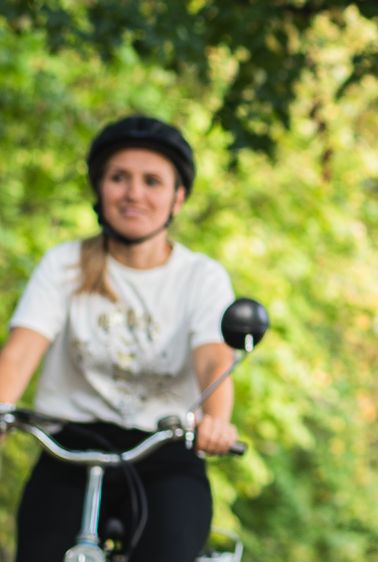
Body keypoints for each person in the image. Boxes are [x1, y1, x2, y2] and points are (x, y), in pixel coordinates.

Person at [0, 115, 238, 561]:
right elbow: (20, 353)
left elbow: (212, 359)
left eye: (152, 181)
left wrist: (216, 420)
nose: (134, 193)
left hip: (165, 449)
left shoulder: (200, 277)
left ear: (177, 198)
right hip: (68, 446)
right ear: (99, 189)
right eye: (119, 178)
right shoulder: (64, 264)